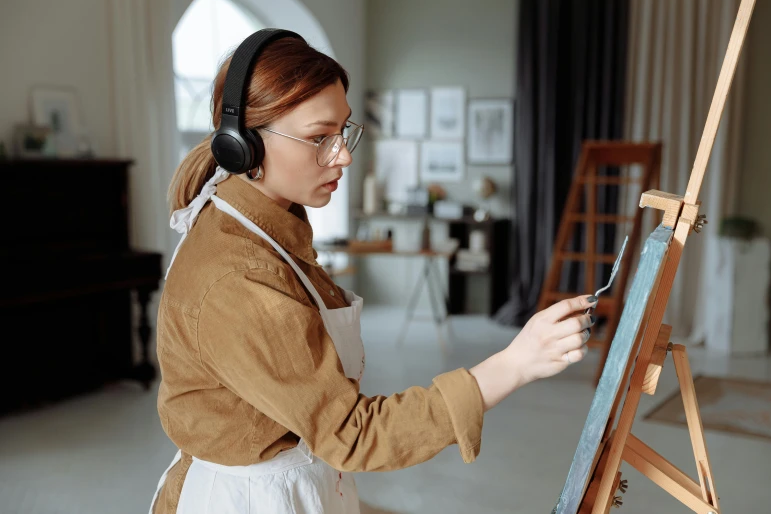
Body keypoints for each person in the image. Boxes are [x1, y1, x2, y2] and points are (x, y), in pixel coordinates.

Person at [149, 29, 596, 514]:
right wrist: (513, 364)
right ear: (244, 146)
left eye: (343, 131)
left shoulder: (266, 228)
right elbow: (351, 433)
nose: (343, 155)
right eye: (319, 138)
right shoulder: (238, 277)